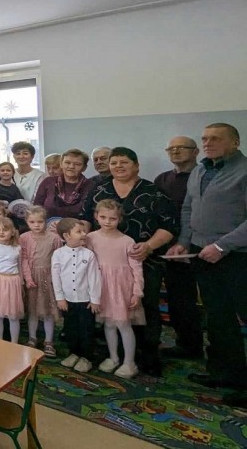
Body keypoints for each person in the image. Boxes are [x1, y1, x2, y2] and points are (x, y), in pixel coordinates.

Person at [168, 123, 246, 407]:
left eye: (216, 138)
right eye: (204, 139)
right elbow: (189, 208)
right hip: (203, 254)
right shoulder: (200, 170)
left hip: (237, 257)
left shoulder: (243, 171)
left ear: (235, 142)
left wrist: (223, 246)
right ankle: (225, 373)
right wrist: (184, 241)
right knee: (217, 317)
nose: (208, 143)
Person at [81, 147, 176, 377]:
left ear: (136, 165)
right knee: (110, 309)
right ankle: (115, 354)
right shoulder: (99, 190)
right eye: (114, 162)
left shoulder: (152, 191)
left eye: (124, 162)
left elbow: (169, 225)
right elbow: (84, 219)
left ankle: (147, 355)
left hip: (144, 259)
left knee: (144, 306)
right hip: (105, 265)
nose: (118, 166)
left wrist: (148, 246)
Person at [153, 136, 202, 360]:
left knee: (192, 299)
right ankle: (185, 344)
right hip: (166, 247)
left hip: (195, 245)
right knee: (177, 298)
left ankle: (196, 346)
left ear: (195, 151)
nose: (175, 151)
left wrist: (185, 241)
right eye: (171, 148)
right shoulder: (162, 179)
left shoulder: (202, 176)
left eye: (181, 147)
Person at [88, 199, 145, 379]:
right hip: (101, 286)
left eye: (112, 218)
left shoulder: (127, 241)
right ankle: (113, 357)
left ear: (119, 219)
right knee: (109, 323)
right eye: (103, 217)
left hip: (121, 288)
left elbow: (137, 268)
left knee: (123, 323)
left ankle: (129, 362)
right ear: (96, 216)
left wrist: (137, 292)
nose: (107, 221)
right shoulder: (91, 238)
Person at [53, 218, 102, 374]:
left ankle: (86, 357)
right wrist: (60, 298)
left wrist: (95, 300)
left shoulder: (89, 254)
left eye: (83, 231)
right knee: (71, 328)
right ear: (66, 236)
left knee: (87, 328)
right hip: (67, 300)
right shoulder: (58, 254)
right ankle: (74, 352)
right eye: (79, 232)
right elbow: (56, 277)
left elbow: (94, 278)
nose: (84, 234)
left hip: (86, 300)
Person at [20, 206, 63, 357]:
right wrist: (28, 278)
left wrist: (55, 278)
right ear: (27, 222)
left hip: (48, 278)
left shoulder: (54, 238)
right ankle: (32, 338)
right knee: (32, 309)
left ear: (46, 221)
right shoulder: (24, 238)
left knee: (48, 310)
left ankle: (49, 341)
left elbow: (59, 259)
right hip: (31, 278)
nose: (36, 225)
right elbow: (24, 259)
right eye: (32, 222)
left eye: (40, 221)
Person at [33, 149, 95, 219]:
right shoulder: (48, 182)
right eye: (67, 163)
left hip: (78, 225)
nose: (71, 166)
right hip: (48, 224)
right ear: (61, 164)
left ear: (84, 168)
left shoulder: (90, 185)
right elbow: (36, 209)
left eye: (77, 164)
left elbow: (91, 214)